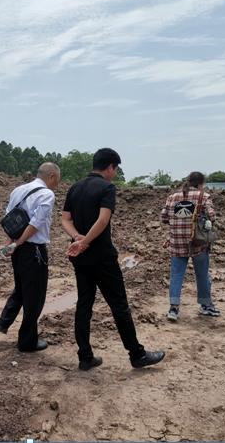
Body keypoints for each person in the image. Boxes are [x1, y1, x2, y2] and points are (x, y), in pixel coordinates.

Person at [62, 148, 165, 371]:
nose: (114, 174)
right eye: (115, 170)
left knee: (84, 306)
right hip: (102, 258)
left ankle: (85, 357)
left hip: (80, 259)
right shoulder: (107, 188)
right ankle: (137, 355)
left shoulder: (75, 187)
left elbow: (65, 219)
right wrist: (85, 241)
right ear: (110, 167)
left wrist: (77, 238)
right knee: (119, 305)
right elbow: (102, 220)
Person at [0, 162, 61, 352]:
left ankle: (4, 321)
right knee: (35, 296)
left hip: (18, 250)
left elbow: (8, 220)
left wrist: (11, 242)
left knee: (21, 288)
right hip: (34, 251)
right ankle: (27, 342)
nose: (57, 184)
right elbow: (35, 224)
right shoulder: (46, 194)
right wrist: (17, 243)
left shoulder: (18, 190)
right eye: (57, 180)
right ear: (51, 177)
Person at [160, 171, 220, 322]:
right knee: (202, 274)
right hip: (198, 242)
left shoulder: (172, 197)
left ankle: (173, 309)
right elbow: (212, 217)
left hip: (177, 242)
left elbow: (163, 217)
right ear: (200, 184)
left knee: (176, 276)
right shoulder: (203, 196)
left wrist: (179, 220)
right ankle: (206, 305)